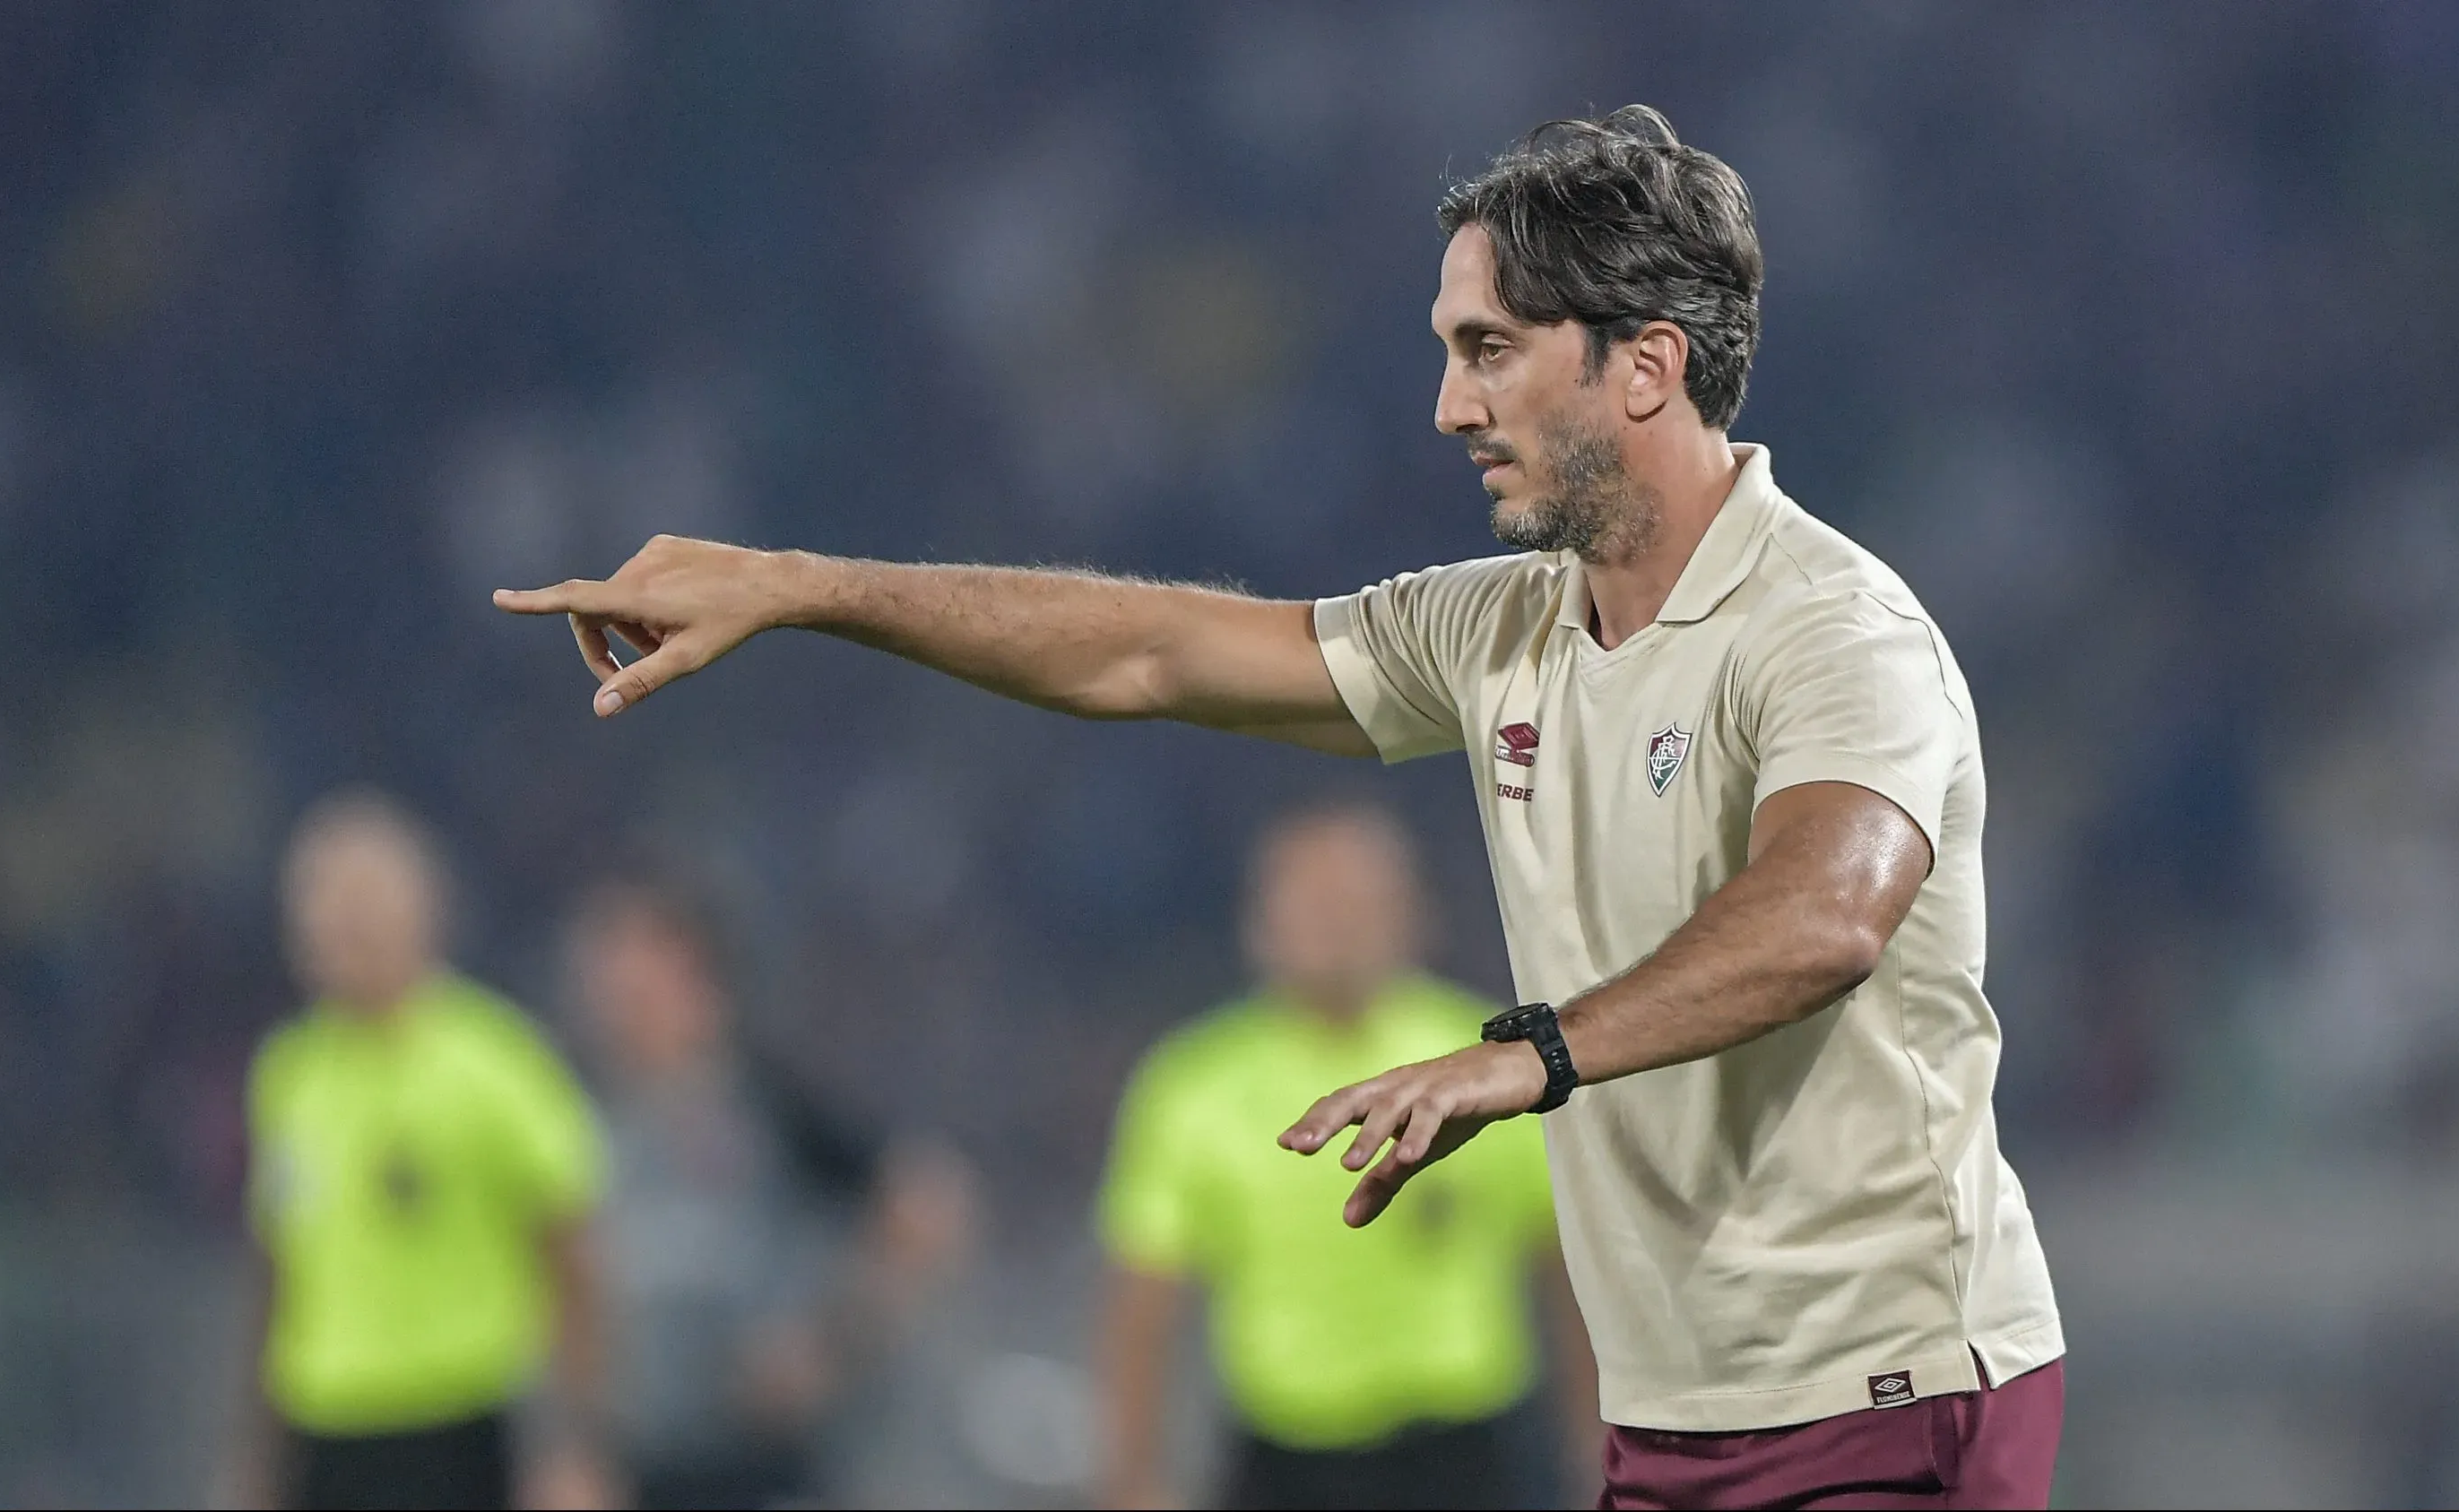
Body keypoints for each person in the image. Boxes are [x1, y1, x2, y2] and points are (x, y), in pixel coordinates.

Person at [496, 104, 2066, 1509]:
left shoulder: (1832, 627)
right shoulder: (1501, 627)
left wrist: (1528, 1055)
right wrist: (803, 587)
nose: (1452, 403)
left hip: (1885, 1395)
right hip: (1677, 1420)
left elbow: (1829, 910)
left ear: (1645, 363)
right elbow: (1151, 651)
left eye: (1494, 348)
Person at [1096, 803, 1596, 1510]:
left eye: (1357, 903)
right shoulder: (1193, 1085)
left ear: (1414, 914)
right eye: (1310, 902)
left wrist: (1597, 1446)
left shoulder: (1484, 1066)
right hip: (1290, 1453)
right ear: (1260, 921)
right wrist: (1132, 1482)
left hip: (1471, 1450)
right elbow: (1142, 1305)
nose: (1335, 927)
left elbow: (1568, 1266)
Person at [232, 791, 617, 1511]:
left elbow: (576, 1267)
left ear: (423, 911)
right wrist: (258, 1463)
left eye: (363, 901)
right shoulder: (288, 1073)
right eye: (320, 904)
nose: (338, 923)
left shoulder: (497, 1064)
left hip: (460, 1423)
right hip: (327, 1425)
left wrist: (575, 1449)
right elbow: (279, 1274)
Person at [563, 876, 974, 1510]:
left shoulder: (767, 1105)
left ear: (700, 977)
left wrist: (833, 1342)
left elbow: (929, 1203)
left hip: (758, 1462)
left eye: (641, 970)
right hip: (634, 1465)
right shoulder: (570, 1115)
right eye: (608, 969)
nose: (619, 992)